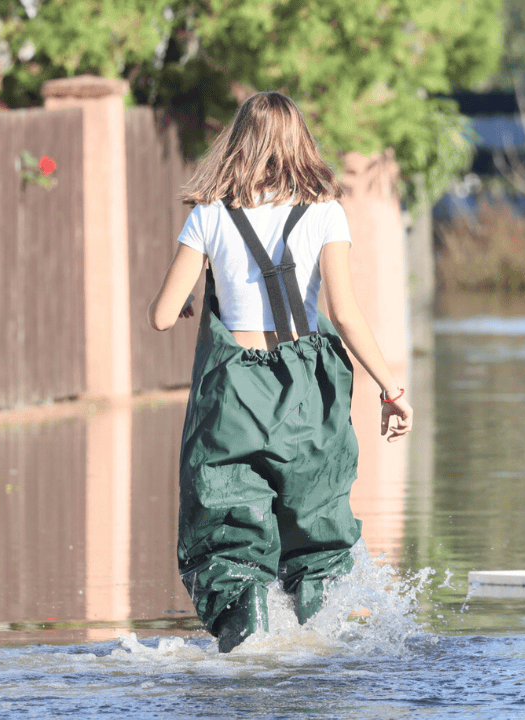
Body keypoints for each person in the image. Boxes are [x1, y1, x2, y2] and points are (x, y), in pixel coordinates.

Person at [147, 91, 412, 652]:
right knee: (315, 526)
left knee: (226, 528)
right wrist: (391, 388)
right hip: (305, 391)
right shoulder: (325, 213)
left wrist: (195, 296)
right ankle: (314, 640)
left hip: (233, 394)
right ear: (300, 142)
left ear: (238, 141)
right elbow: (344, 313)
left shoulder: (209, 214)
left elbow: (162, 316)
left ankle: (247, 626)